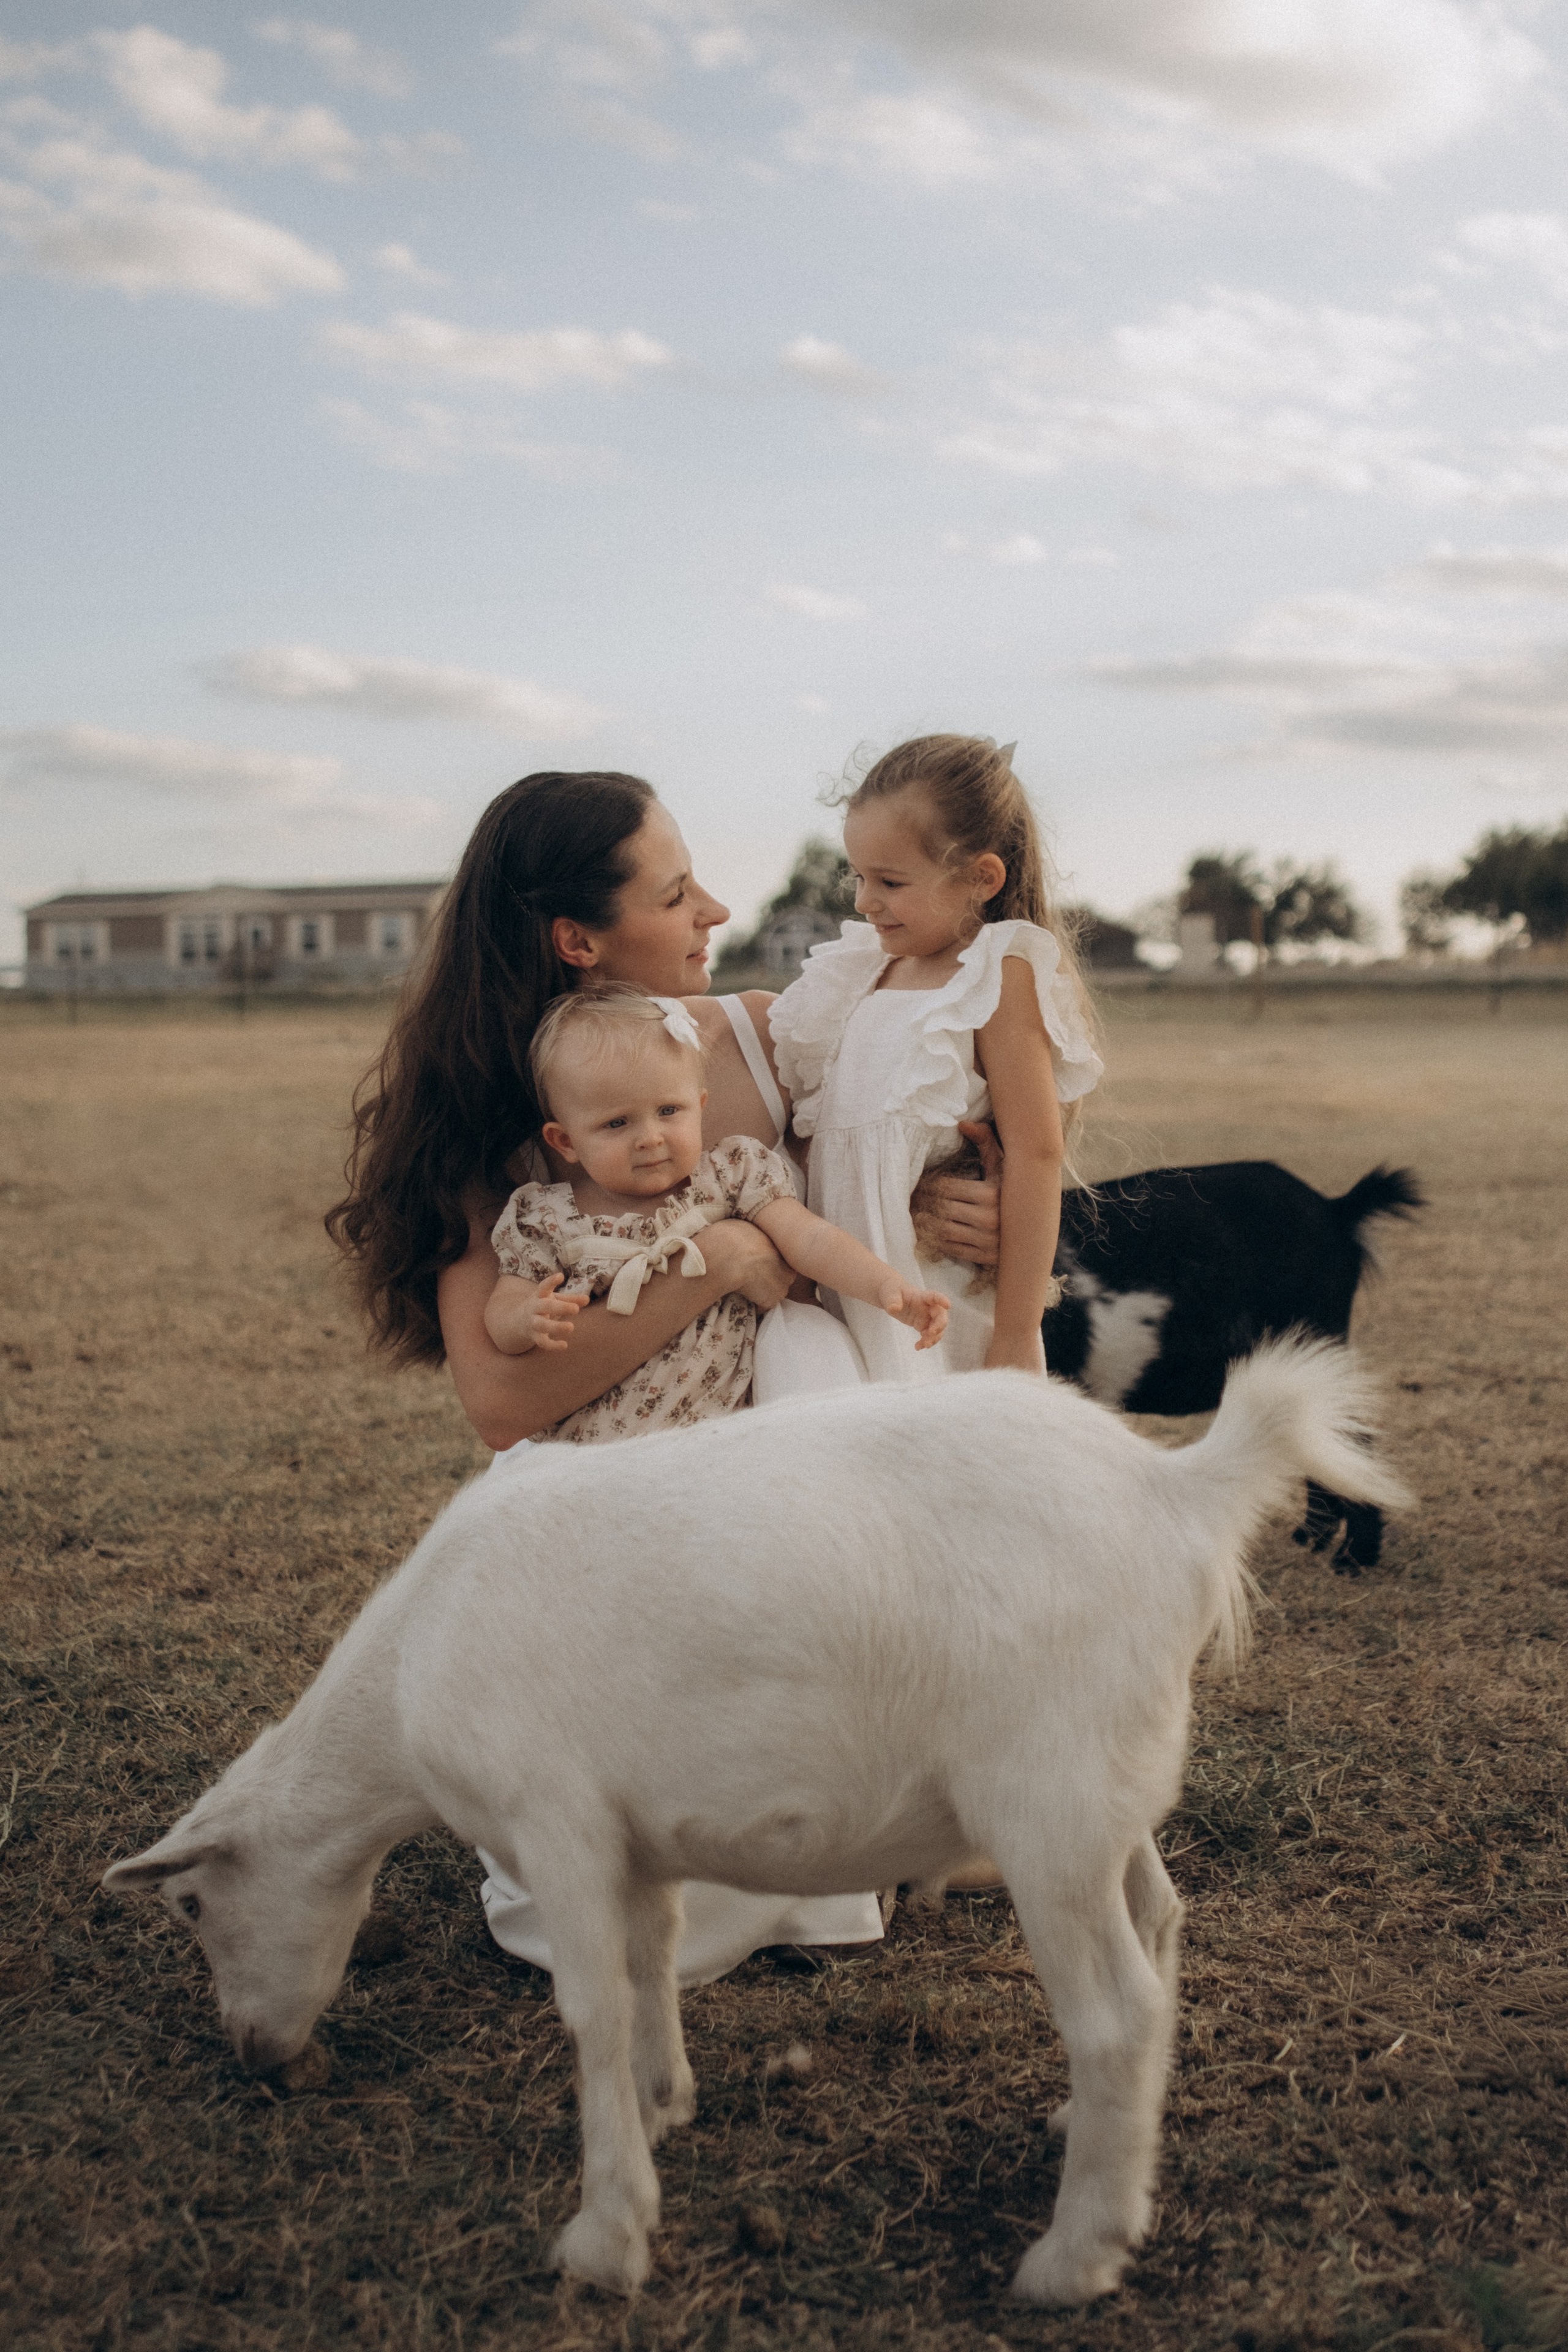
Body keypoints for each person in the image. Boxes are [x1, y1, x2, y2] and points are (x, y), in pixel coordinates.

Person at [326, 767, 992, 1981]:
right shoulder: (506, 1115)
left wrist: (967, 1199)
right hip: (616, 1501)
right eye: (677, 893)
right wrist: (718, 1259)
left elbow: (883, 1166)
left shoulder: (757, 1033)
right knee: (595, 1896)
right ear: (579, 940)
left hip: (798, 1488)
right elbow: (506, 1399)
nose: (717, 912)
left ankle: (861, 1837)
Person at [769, 734, 1104, 1387]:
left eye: (890, 882)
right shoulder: (860, 971)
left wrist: (1014, 1332)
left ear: (981, 878)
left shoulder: (996, 972)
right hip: (848, 1289)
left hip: (939, 1305)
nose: (865, 901)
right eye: (858, 876)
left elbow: (1036, 1153)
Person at [483, 982, 948, 1441]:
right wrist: (525, 1318)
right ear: (565, 1141)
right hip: (595, 1450)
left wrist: (887, 1285)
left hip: (720, 1438)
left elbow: (811, 1240)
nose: (650, 1137)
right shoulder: (546, 1218)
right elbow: (503, 1313)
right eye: (617, 1123)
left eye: (668, 1110)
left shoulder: (730, 1177)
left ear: (700, 1108)